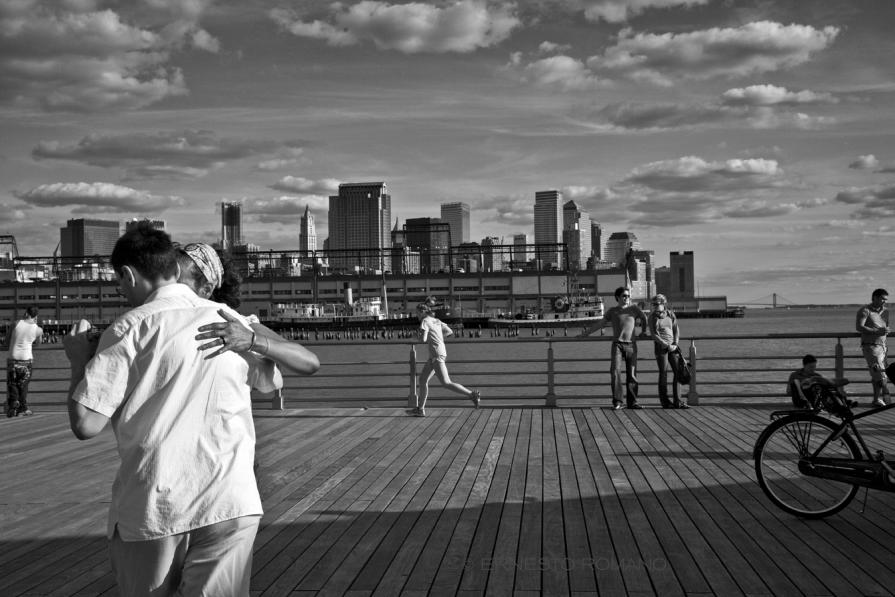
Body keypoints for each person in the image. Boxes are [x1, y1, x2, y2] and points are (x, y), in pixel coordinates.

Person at [63, 225, 281, 596]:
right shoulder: (230, 320)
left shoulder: (130, 327)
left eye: (119, 281)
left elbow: (86, 423)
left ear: (129, 274)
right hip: (231, 498)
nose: (121, 290)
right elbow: (270, 380)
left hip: (159, 503)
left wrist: (78, 361)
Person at [176, 242, 320, 376]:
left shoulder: (238, 325)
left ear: (206, 289)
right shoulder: (165, 318)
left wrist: (251, 340)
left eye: (178, 284)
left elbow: (309, 362)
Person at [408, 301, 480, 417]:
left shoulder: (425, 321)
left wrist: (414, 339)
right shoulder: (436, 320)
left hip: (436, 355)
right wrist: (437, 337)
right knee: (422, 380)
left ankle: (472, 395)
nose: (417, 316)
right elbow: (449, 331)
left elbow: (423, 340)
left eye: (417, 313)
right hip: (436, 354)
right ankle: (420, 409)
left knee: (446, 382)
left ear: (422, 312)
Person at [580, 286, 648, 410]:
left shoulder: (634, 308)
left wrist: (643, 332)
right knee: (615, 372)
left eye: (628, 296)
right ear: (617, 297)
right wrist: (586, 333)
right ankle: (618, 402)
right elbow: (601, 324)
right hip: (617, 345)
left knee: (632, 375)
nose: (627, 298)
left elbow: (644, 318)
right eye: (624, 296)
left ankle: (632, 402)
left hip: (631, 345)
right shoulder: (612, 311)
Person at [648, 294, 688, 409]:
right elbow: (654, 335)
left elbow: (676, 329)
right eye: (653, 304)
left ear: (663, 304)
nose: (654, 306)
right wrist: (666, 345)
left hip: (673, 347)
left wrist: (675, 343)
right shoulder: (652, 317)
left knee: (678, 372)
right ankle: (665, 402)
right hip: (661, 348)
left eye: (657, 304)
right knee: (663, 374)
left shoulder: (670, 314)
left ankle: (678, 401)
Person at [856, 288, 891, 407]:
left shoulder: (886, 311)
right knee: (881, 375)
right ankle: (887, 397)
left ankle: (876, 400)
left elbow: (886, 327)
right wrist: (876, 331)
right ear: (875, 297)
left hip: (883, 347)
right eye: (882, 299)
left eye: (885, 299)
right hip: (871, 347)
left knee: (876, 375)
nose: (884, 301)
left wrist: (886, 331)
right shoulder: (865, 310)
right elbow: (859, 327)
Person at [6, 306, 43, 417]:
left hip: (13, 359)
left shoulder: (16, 323)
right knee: (23, 385)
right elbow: (38, 344)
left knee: (12, 384)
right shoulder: (38, 329)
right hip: (26, 361)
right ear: (36, 316)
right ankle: (23, 408)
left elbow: (7, 341)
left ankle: (13, 404)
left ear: (26, 313)